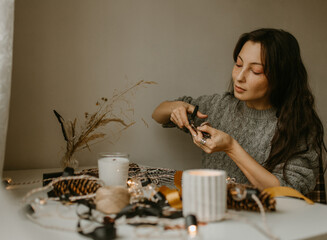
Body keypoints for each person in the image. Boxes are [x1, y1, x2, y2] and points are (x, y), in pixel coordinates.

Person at [152, 28, 326, 199]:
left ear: (280, 77)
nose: (239, 77)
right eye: (239, 64)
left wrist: (231, 147)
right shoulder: (220, 106)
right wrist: (177, 107)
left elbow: (286, 193)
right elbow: (158, 114)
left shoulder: (298, 125)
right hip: (213, 215)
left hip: (266, 224)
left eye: (255, 71)